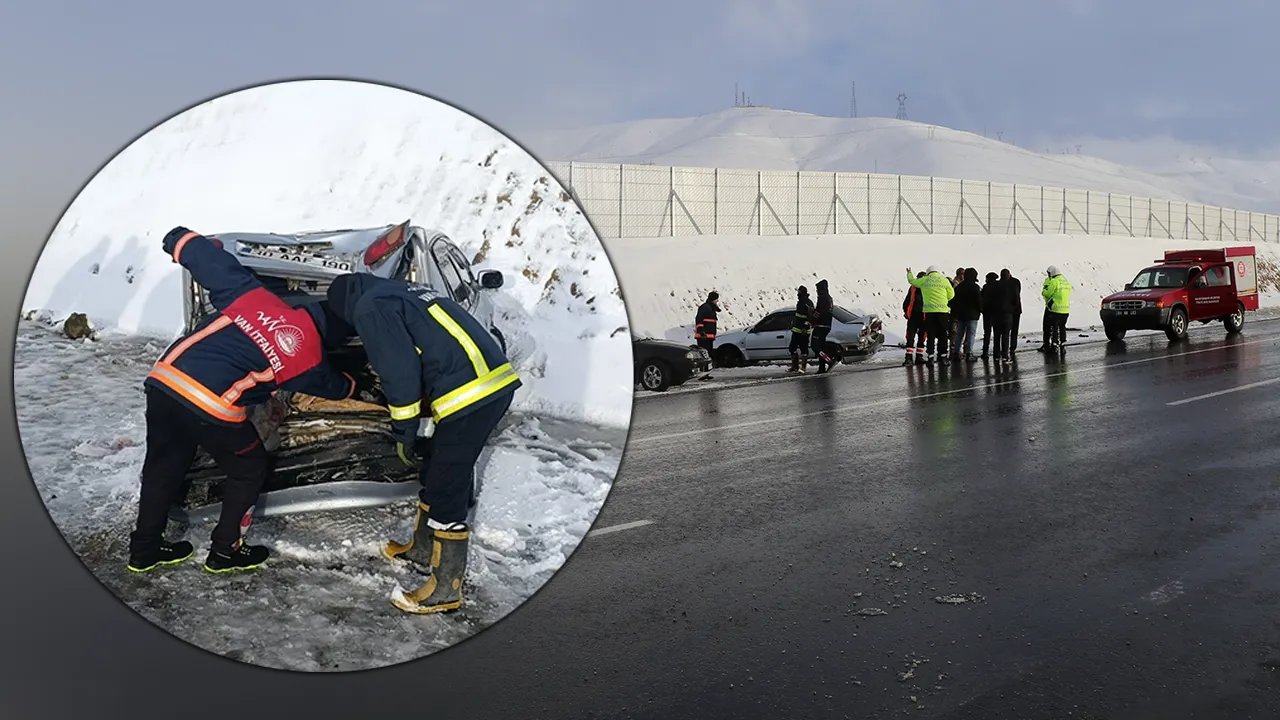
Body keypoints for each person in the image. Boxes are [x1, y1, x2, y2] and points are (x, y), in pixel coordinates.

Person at [128, 227, 363, 575]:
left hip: (165, 380)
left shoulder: (258, 298)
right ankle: (225, 551)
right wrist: (355, 382)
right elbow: (335, 387)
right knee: (248, 466)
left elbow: (211, 262)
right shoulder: (310, 356)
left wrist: (180, 240)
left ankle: (144, 551)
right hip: (212, 405)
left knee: (163, 467)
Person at [325, 272, 522, 615]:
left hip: (470, 394)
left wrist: (404, 430)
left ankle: (446, 589)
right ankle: (420, 548)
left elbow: (398, 372)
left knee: (448, 480)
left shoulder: (370, 308)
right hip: (489, 382)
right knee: (436, 464)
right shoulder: (401, 292)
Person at [906, 266, 955, 364]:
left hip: (929, 312)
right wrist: (944, 300)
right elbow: (951, 294)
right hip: (943, 312)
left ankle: (930, 357)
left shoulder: (925, 280)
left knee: (931, 335)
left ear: (928, 273)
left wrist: (909, 273)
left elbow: (912, 281)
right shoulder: (944, 280)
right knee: (943, 335)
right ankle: (943, 356)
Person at [950, 268, 983, 361]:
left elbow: (954, 301)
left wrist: (955, 313)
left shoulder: (959, 287)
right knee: (971, 334)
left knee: (959, 334)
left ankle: (956, 353)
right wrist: (980, 310)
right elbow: (979, 301)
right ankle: (969, 353)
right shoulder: (975, 287)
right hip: (972, 315)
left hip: (961, 315)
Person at [1040, 266, 1073, 353]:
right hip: (1065, 310)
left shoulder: (1054, 282)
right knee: (1062, 327)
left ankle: (1054, 345)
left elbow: (1047, 293)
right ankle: (1063, 344)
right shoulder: (1066, 282)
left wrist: (1044, 289)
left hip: (1055, 309)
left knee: (1054, 327)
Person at [902, 272, 929, 366]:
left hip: (916, 315)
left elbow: (906, 302)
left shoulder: (913, 287)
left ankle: (911, 357)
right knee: (917, 336)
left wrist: (906, 312)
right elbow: (907, 301)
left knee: (913, 336)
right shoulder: (926, 288)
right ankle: (917, 357)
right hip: (920, 315)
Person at [810, 280, 836, 374]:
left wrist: (812, 317)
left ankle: (829, 360)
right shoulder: (829, 298)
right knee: (821, 346)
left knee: (815, 346)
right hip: (827, 325)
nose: (816, 291)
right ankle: (821, 368)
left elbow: (819, 312)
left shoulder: (822, 298)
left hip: (820, 325)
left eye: (817, 289)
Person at [788, 285, 814, 373]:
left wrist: (805, 327)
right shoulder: (801, 302)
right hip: (796, 330)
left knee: (804, 349)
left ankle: (803, 367)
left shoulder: (807, 303)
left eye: (799, 292)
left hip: (803, 331)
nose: (797, 294)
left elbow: (810, 317)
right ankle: (795, 366)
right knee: (792, 348)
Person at [980, 272, 1002, 359]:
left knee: (987, 333)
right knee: (997, 333)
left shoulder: (985, 287)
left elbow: (981, 299)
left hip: (987, 313)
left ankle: (985, 352)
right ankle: (996, 352)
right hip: (997, 313)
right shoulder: (999, 287)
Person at [1000, 268, 1023, 354]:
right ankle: (1013, 347)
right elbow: (1018, 294)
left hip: (1006, 310)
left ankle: (1004, 348)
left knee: (1005, 331)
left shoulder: (1001, 283)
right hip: (1016, 309)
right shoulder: (1016, 282)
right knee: (1014, 329)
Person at [694, 291, 720, 357]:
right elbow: (699, 320)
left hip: (709, 337)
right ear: (713, 299)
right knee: (704, 355)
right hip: (704, 337)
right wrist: (701, 332)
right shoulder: (705, 308)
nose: (717, 301)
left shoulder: (711, 308)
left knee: (708, 355)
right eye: (716, 299)